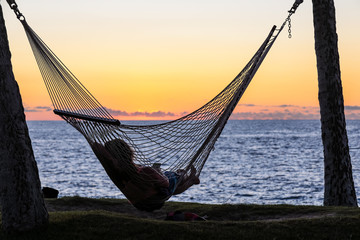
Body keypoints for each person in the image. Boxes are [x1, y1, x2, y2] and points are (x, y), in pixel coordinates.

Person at [91, 138, 200, 211]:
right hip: (154, 200)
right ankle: (189, 179)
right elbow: (165, 183)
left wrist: (112, 159)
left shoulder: (117, 172)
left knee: (168, 181)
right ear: (129, 152)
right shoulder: (145, 171)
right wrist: (158, 172)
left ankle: (185, 175)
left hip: (139, 203)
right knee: (173, 179)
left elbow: (96, 145)